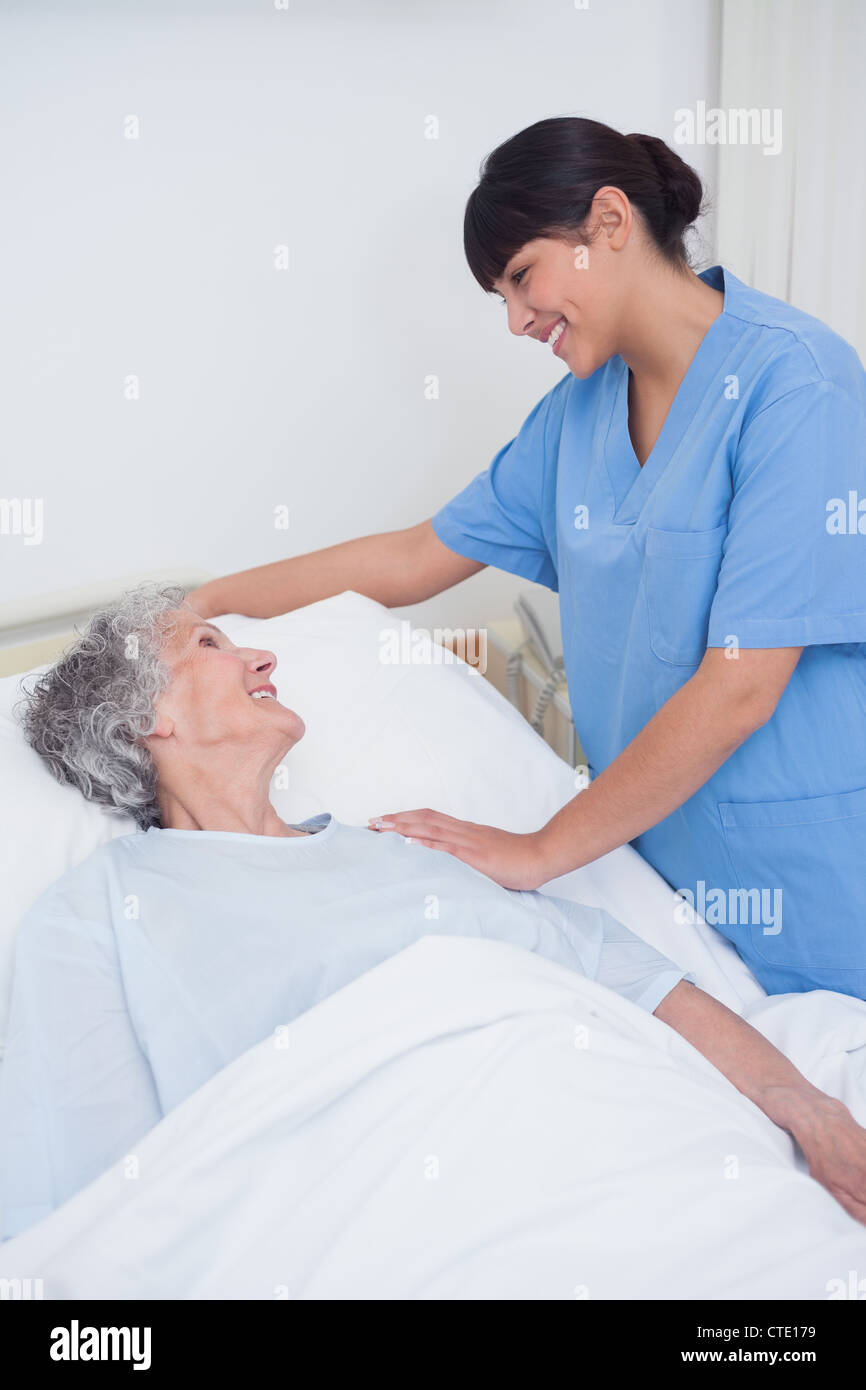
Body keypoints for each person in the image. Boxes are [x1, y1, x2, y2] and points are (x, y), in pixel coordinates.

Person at [188, 116, 866, 1003]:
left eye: (521, 277)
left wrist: (540, 850)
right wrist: (195, 600)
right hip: (656, 884)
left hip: (819, 887)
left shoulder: (798, 386)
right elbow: (415, 554)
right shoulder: (576, 418)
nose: (515, 321)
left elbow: (741, 683)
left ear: (611, 223)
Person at [2, 583, 866, 1242]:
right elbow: (85, 1193)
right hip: (396, 1215)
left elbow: (638, 980)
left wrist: (807, 1107)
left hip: (623, 1142)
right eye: (212, 645)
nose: (263, 660)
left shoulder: (411, 849)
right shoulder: (100, 913)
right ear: (141, 716)